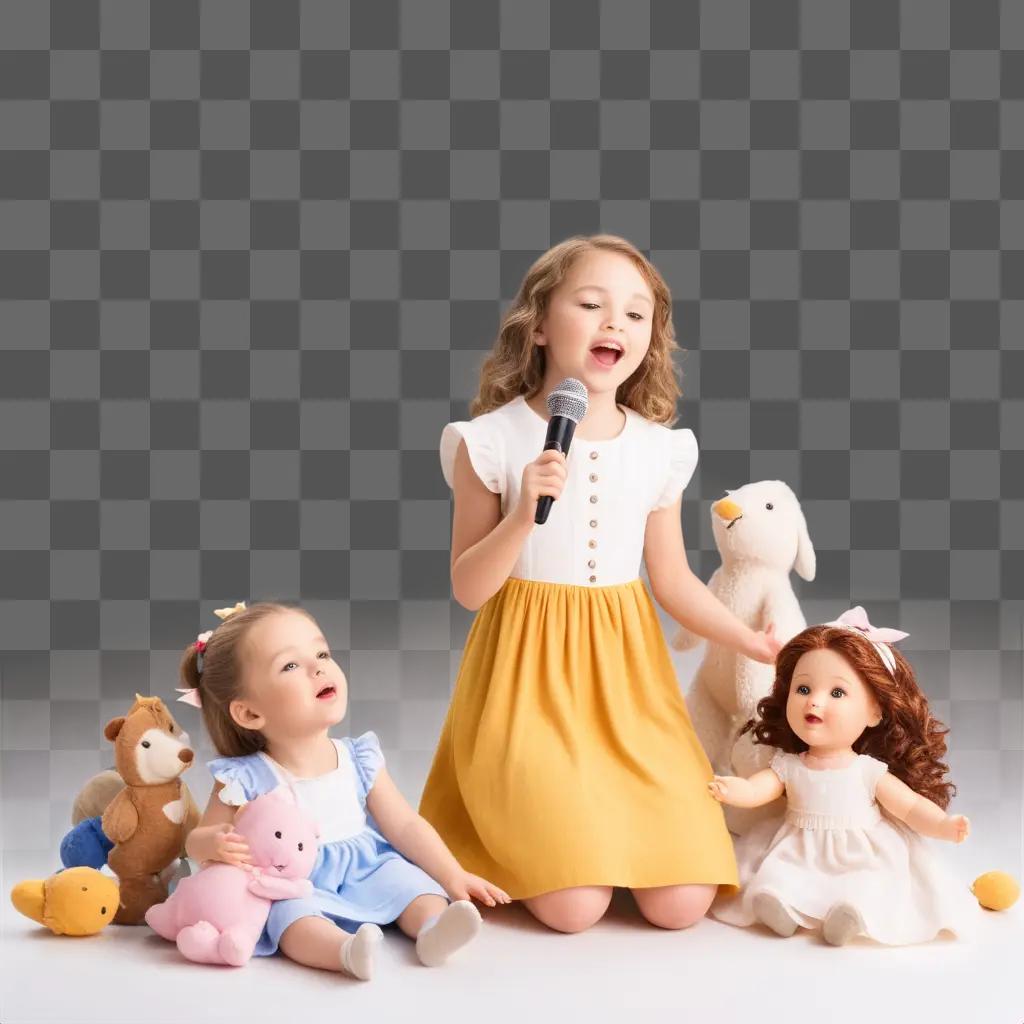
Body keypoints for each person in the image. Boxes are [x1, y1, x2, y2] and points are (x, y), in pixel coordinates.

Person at [419, 234, 782, 933]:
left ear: (652, 338)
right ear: (540, 324)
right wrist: (523, 516)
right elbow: (469, 588)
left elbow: (671, 579)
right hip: (524, 683)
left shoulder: (659, 447)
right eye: (591, 303)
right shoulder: (488, 440)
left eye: (636, 314)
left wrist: (748, 639)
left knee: (682, 905)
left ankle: (605, 826)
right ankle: (543, 832)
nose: (615, 322)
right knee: (574, 908)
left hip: (627, 683)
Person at [178, 601, 509, 979]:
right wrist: (214, 843)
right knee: (290, 917)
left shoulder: (358, 756)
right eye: (290, 665)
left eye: (321, 653)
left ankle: (433, 932)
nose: (318, 667)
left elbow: (404, 825)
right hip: (295, 878)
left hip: (367, 865)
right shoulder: (246, 777)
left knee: (415, 885)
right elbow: (196, 842)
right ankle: (345, 951)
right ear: (250, 714)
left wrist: (453, 875)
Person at [709, 607, 979, 945]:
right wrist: (734, 790)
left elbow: (909, 807)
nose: (814, 703)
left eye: (837, 693)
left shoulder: (867, 770)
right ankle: (779, 907)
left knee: (867, 881)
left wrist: (943, 825)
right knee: (780, 875)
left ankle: (851, 915)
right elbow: (757, 789)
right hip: (799, 845)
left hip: (861, 850)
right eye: (803, 689)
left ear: (874, 711)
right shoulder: (790, 764)